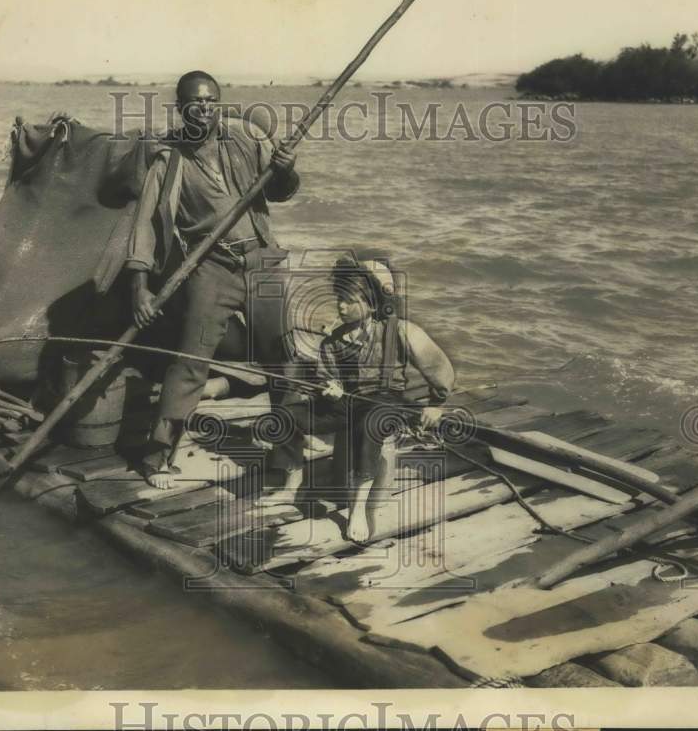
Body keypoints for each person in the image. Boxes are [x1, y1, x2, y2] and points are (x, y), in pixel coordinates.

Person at [125, 70, 301, 488]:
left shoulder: (247, 137)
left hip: (264, 263)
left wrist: (285, 170)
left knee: (282, 358)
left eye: (210, 101)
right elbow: (145, 225)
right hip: (211, 268)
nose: (203, 108)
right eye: (195, 102)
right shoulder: (169, 161)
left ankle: (287, 455)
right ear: (181, 107)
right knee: (189, 363)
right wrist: (139, 287)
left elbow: (280, 191)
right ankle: (157, 456)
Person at [264, 254, 456, 543]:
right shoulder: (333, 341)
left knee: (370, 423)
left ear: (371, 301)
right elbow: (326, 378)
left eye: (349, 301)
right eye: (339, 298)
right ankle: (293, 485)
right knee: (286, 414)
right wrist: (328, 388)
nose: (341, 306)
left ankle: (357, 509)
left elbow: (439, 368)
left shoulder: (401, 331)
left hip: (389, 402)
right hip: (348, 402)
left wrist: (436, 404)